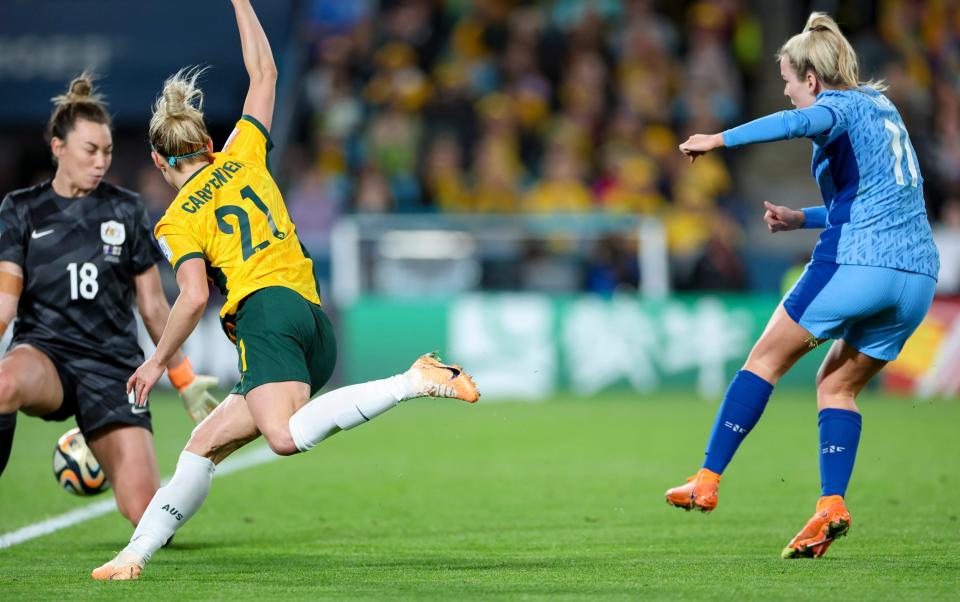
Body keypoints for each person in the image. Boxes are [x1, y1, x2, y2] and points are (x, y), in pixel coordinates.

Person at [92, 0, 479, 581]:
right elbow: (265, 74)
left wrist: (158, 362)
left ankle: (413, 379)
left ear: (158, 159)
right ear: (209, 146)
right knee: (203, 445)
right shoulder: (243, 153)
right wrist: (242, 3)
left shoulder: (175, 220)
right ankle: (133, 556)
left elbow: (193, 296)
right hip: (311, 322)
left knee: (282, 438)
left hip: (265, 316)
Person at [666, 12, 939, 559]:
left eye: (790, 81)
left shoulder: (832, 106)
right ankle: (830, 505)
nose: (788, 92)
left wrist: (719, 138)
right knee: (837, 388)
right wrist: (801, 219)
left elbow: (795, 125)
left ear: (812, 80)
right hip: (916, 278)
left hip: (856, 264)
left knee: (763, 361)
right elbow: (870, 199)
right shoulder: (881, 107)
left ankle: (707, 479)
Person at [0, 75, 220, 525]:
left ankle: (103, 437)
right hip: (47, 356)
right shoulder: (20, 210)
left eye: (108, 151)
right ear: (58, 147)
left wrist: (183, 379)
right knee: (3, 386)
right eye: (89, 150)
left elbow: (154, 307)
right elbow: (5, 303)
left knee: (149, 519)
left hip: (113, 368)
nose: (101, 162)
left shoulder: (126, 209)